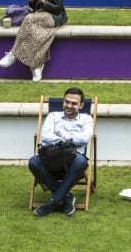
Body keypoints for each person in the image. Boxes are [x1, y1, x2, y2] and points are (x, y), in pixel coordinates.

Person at [0, 0, 66, 82]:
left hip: (55, 17)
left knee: (28, 19)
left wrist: (44, 0)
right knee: (38, 34)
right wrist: (32, 0)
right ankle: (37, 66)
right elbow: (33, 7)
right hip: (38, 15)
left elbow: (58, 8)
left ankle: (13, 54)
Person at [28, 87, 92, 216]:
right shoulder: (53, 116)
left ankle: (53, 202)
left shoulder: (86, 119)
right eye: (66, 102)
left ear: (81, 105)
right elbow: (45, 135)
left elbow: (85, 138)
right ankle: (67, 197)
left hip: (73, 161)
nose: (69, 105)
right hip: (52, 158)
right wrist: (69, 140)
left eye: (74, 103)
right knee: (34, 161)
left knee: (81, 161)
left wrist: (60, 136)